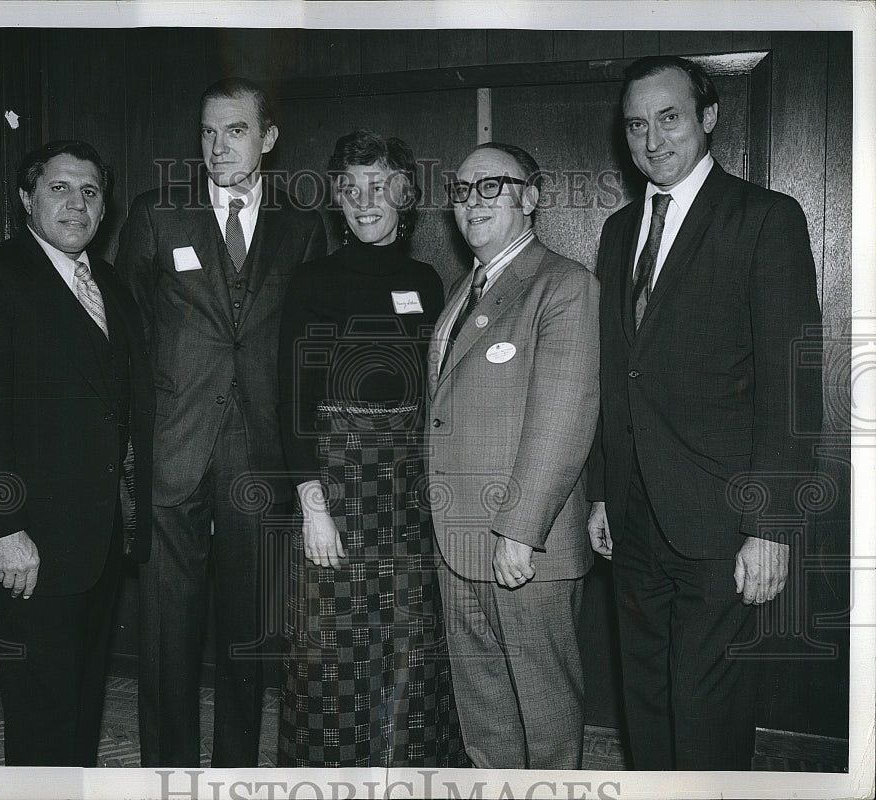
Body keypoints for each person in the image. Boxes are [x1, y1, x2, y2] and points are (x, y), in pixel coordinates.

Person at [586, 55, 822, 770]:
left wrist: (772, 527)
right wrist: (600, 490)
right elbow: (614, 374)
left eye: (669, 118)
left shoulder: (765, 218)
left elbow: (792, 382)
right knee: (646, 699)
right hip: (632, 513)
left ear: (707, 119)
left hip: (723, 518)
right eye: (636, 125)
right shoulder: (620, 230)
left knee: (706, 706)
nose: (653, 141)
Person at [116, 77, 326, 768]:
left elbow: (308, 348)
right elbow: (129, 333)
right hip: (173, 448)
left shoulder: (303, 225)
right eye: (207, 132)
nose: (216, 147)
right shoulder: (157, 214)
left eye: (234, 131)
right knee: (166, 633)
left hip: (260, 453)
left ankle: (237, 771)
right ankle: (165, 775)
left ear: (267, 138)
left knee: (247, 633)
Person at [0, 140, 154, 766]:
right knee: (40, 709)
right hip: (29, 542)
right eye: (59, 188)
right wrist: (2, 529)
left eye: (90, 191)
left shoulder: (107, 282)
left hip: (102, 538)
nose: (76, 203)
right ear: (27, 198)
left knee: (82, 701)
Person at [275, 130, 466, 768]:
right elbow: (292, 400)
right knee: (333, 646)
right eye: (351, 188)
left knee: (411, 639)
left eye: (380, 187)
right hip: (337, 485)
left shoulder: (428, 281)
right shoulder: (310, 282)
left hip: (410, 491)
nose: (364, 201)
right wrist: (311, 504)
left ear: (406, 195)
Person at [426, 142, 600, 769]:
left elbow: (564, 417)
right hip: (460, 541)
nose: (472, 201)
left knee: (545, 714)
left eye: (490, 186)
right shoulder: (463, 291)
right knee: (485, 713)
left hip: (524, 547)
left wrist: (520, 533)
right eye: (462, 189)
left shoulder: (563, 285)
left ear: (531, 197)